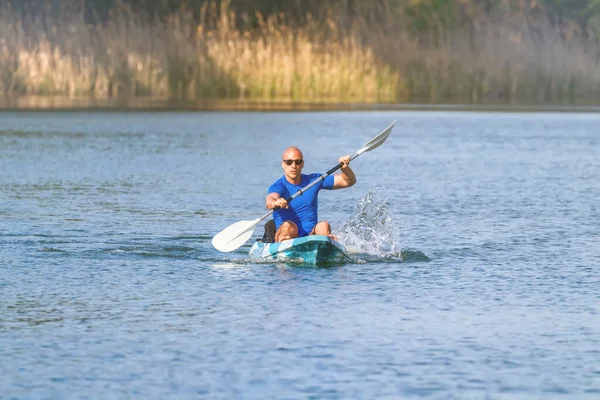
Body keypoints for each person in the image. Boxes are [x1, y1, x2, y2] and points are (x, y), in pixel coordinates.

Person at [265, 146, 356, 242]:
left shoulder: (313, 181)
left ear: (302, 164)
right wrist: (275, 202)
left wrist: (344, 168)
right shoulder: (279, 185)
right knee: (288, 225)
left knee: (323, 225)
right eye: (289, 162)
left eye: (298, 162)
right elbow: (270, 199)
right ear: (283, 164)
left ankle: (323, 246)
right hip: (286, 235)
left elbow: (349, 181)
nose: (293, 166)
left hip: (309, 238)